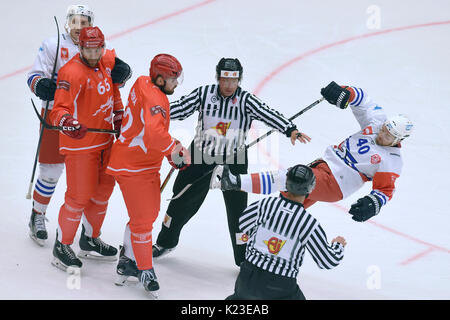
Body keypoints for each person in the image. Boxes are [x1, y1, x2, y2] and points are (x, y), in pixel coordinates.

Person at [152, 57, 311, 266]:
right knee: (180, 198)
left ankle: (242, 258)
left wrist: (290, 129)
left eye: (233, 80)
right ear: (218, 78)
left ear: (239, 80)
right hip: (201, 154)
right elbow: (179, 108)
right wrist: (152, 114)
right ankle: (165, 242)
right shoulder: (204, 94)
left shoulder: (246, 100)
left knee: (238, 212)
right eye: (225, 80)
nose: (228, 85)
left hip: (234, 158)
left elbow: (268, 113)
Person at [212, 81, 414, 223]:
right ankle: (261, 239)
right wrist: (345, 93)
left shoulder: (392, 160)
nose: (383, 134)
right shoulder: (378, 123)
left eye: (389, 135)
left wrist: (373, 204)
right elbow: (363, 99)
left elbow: (385, 190)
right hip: (324, 166)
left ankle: (233, 182)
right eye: (386, 128)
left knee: (288, 178)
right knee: (287, 207)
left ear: (399, 140)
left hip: (337, 182)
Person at [27, 4, 131, 246]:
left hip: (91, 121)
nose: (78, 27)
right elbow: (34, 75)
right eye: (75, 21)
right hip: (57, 116)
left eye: (83, 22)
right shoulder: (53, 45)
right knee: (51, 172)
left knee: (92, 184)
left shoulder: (97, 48)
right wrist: (41, 85)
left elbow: (111, 77)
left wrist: (123, 73)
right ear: (67, 22)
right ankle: (38, 215)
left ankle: (88, 235)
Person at [106, 54, 189, 298]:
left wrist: (170, 150)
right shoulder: (156, 98)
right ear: (161, 79)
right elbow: (154, 135)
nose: (177, 84)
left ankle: (127, 261)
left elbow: (148, 130)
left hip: (139, 163)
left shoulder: (143, 82)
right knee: (143, 220)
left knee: (146, 215)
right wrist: (175, 150)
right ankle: (145, 269)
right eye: (174, 79)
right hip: (134, 167)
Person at [48, 26, 131, 271]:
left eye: (98, 49)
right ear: (81, 48)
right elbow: (58, 110)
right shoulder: (70, 72)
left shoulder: (105, 61)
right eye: (88, 49)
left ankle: (90, 238)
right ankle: (62, 245)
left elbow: (114, 88)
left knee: (103, 192)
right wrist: (68, 122)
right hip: (80, 146)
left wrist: (118, 115)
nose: (94, 54)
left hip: (106, 142)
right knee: (79, 196)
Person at [226, 164, 346, 300]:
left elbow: (243, 223)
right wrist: (338, 246)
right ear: (311, 189)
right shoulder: (307, 223)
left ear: (286, 183)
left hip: (247, 278)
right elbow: (327, 260)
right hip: (280, 286)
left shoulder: (266, 205)